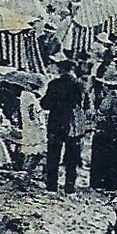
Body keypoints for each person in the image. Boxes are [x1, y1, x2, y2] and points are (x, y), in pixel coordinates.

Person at [41, 58, 89, 194]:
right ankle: (70, 186)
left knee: (53, 155)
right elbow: (87, 106)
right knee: (72, 158)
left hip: (56, 122)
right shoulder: (81, 85)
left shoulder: (54, 84)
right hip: (75, 125)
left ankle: (51, 186)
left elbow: (45, 104)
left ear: (61, 70)